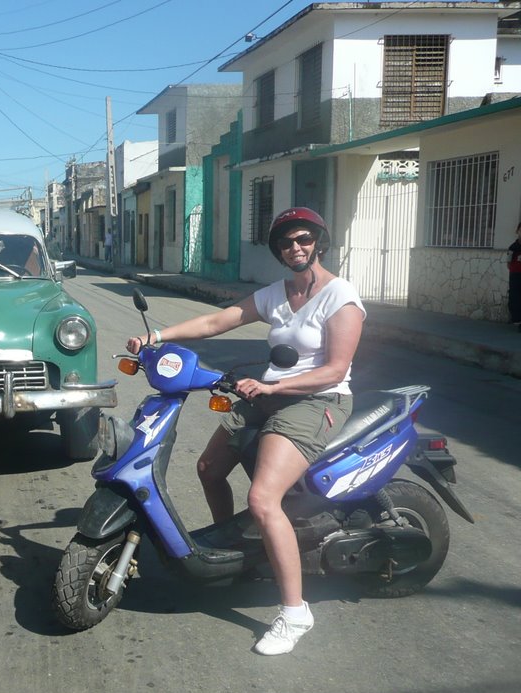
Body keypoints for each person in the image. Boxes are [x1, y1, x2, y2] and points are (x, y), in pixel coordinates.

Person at [126, 207, 366, 656]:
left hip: (318, 400)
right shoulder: (277, 294)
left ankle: (295, 612)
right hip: (270, 393)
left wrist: (275, 384)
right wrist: (157, 337)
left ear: (318, 242)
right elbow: (218, 321)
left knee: (262, 499)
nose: (296, 248)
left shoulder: (341, 297)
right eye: (286, 243)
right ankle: (235, 557)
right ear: (278, 251)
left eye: (303, 240)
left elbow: (334, 370)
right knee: (208, 468)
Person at [507, 222, 521, 331]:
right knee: (515, 296)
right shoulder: (513, 247)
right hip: (515, 275)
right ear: (517, 231)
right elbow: (508, 263)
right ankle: (516, 319)